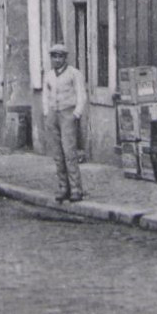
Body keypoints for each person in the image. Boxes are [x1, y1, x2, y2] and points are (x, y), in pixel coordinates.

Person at [41, 42, 87, 202]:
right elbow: (45, 95)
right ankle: (63, 187)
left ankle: (76, 189)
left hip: (68, 113)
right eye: (54, 56)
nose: (57, 60)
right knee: (58, 154)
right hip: (53, 114)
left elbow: (81, 95)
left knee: (69, 152)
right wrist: (47, 112)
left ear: (65, 58)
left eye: (60, 56)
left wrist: (76, 114)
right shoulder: (48, 75)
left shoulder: (74, 74)